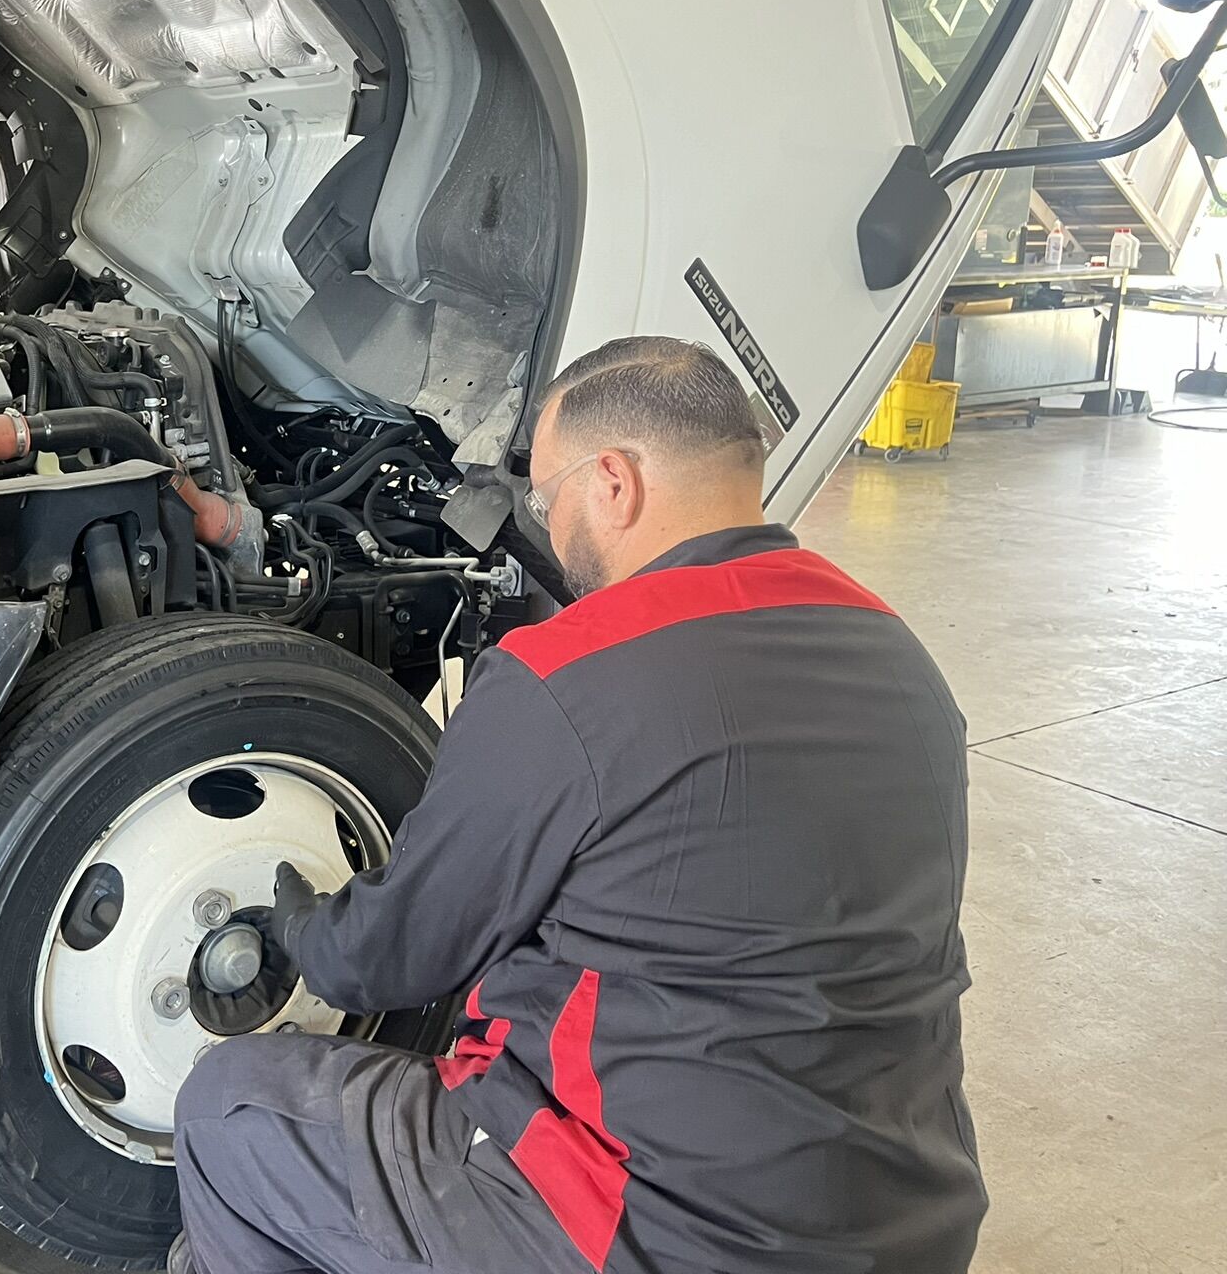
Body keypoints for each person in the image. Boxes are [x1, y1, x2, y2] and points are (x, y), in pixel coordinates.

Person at [170, 336, 985, 1274]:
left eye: (548, 499)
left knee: (229, 1106)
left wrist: (300, 925)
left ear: (613, 482)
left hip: (660, 1238)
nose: (549, 532)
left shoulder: (570, 671)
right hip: (910, 1223)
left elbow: (393, 957)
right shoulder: (898, 654)